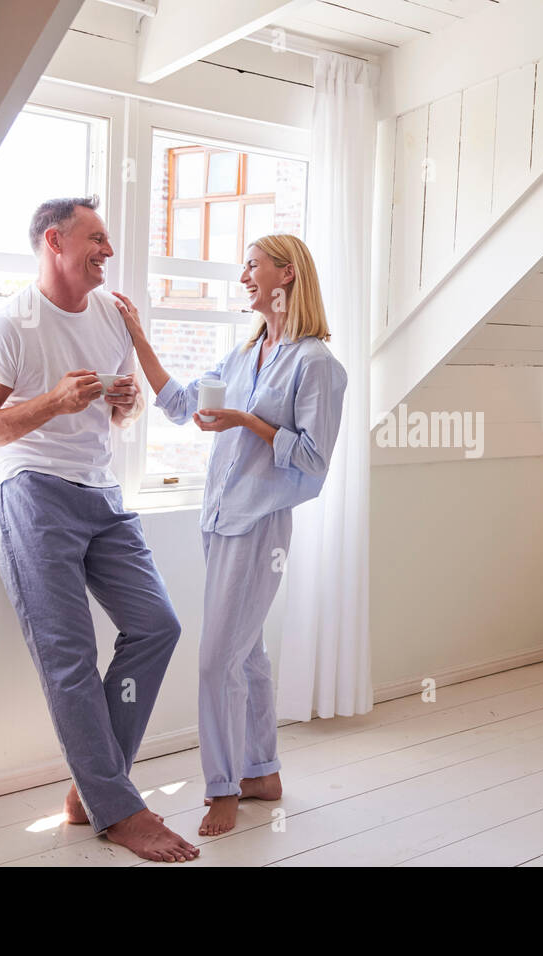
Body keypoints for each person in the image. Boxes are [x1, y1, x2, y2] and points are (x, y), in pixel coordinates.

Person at [0, 196, 198, 863]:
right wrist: (53, 402)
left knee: (158, 625)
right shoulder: (9, 322)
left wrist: (124, 405)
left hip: (101, 493)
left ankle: (97, 789)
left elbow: (118, 417)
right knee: (69, 657)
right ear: (54, 242)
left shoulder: (112, 314)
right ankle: (118, 809)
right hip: (30, 492)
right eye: (97, 239)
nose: (108, 251)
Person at [112, 233, 346, 837]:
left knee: (217, 660)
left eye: (252, 265)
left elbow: (315, 461)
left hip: (261, 524)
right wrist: (138, 337)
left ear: (286, 274)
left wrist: (247, 421)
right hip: (218, 518)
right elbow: (182, 402)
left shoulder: (316, 363)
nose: (244, 275)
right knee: (248, 653)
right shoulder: (244, 353)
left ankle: (223, 788)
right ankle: (261, 771)